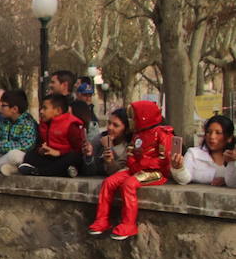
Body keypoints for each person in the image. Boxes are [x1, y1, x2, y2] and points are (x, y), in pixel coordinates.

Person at [89, 100, 173, 240]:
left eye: (134, 117)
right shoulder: (138, 135)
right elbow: (131, 153)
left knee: (129, 185)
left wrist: (144, 163)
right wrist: (134, 162)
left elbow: (165, 159)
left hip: (154, 172)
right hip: (135, 169)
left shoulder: (163, 133)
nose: (132, 121)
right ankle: (102, 220)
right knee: (109, 182)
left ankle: (129, 224)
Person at [19, 93, 85, 177]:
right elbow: (39, 144)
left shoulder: (71, 125)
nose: (41, 111)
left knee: (72, 157)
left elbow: (78, 150)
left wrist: (59, 153)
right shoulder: (43, 124)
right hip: (50, 157)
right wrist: (41, 150)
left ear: (58, 111)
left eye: (45, 108)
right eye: (41, 108)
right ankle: (64, 172)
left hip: (64, 156)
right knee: (30, 156)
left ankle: (39, 171)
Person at [170, 114, 235, 187]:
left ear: (229, 138)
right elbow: (185, 179)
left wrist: (225, 180)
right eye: (208, 132)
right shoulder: (193, 154)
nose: (212, 137)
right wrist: (179, 168)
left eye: (218, 133)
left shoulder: (233, 156)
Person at [82, 108, 129, 177]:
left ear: (126, 129)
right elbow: (89, 172)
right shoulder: (100, 139)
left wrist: (109, 149)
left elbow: (118, 172)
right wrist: (89, 156)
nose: (110, 127)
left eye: (115, 125)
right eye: (109, 123)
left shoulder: (129, 147)